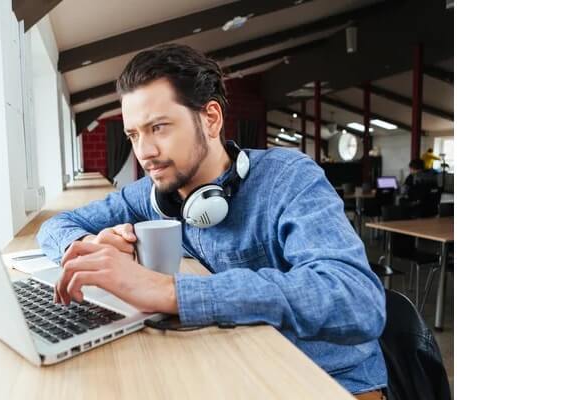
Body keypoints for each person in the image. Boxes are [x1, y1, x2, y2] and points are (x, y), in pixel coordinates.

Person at [37, 44, 387, 399]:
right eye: (134, 135)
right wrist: (87, 248)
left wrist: (169, 292)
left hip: (328, 380)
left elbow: (357, 299)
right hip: (236, 367)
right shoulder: (153, 192)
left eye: (158, 127)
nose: (144, 152)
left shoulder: (288, 178)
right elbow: (54, 226)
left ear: (211, 118)